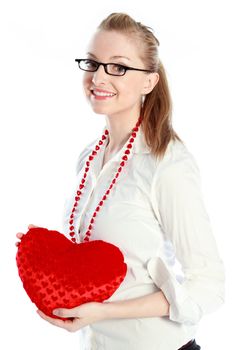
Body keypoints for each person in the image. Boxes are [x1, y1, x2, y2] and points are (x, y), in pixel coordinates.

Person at [16, 12, 225, 350]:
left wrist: (104, 311)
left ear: (149, 82)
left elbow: (208, 287)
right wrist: (43, 256)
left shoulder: (167, 164)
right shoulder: (88, 158)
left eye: (119, 67)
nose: (98, 77)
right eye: (92, 62)